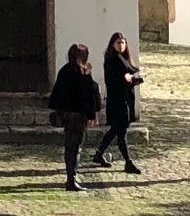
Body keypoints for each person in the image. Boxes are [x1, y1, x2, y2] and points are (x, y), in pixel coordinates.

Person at [47, 42, 102, 191]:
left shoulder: (64, 71)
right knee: (76, 147)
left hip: (66, 114)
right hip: (78, 115)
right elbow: (88, 96)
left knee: (69, 146)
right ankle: (72, 179)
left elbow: (58, 93)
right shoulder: (82, 73)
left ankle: (70, 177)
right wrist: (92, 115)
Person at [95, 33, 144, 173]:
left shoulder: (122, 59)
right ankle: (128, 162)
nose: (121, 45)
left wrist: (132, 80)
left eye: (123, 42)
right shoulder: (113, 60)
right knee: (120, 132)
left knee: (115, 130)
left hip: (123, 101)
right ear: (112, 44)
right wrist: (129, 80)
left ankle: (99, 154)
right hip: (117, 101)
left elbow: (127, 76)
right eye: (118, 43)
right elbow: (115, 81)